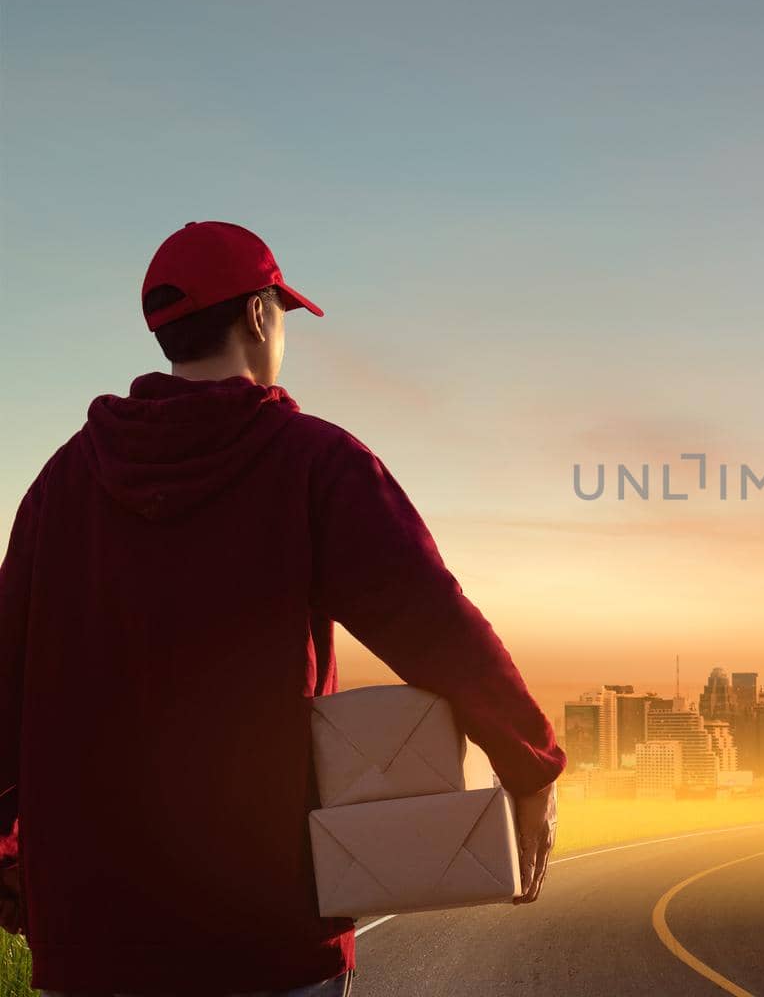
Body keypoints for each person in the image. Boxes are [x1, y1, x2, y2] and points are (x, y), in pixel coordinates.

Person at [0, 221, 566, 995]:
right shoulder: (315, 465)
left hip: (92, 938)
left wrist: (7, 853)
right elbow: (436, 625)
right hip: (266, 929)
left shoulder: (60, 483)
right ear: (261, 315)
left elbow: (4, 678)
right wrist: (529, 765)